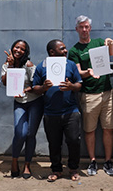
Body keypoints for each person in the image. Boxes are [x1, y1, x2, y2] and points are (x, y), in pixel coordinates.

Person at [68, 15, 113, 176]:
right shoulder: (75, 50)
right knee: (89, 130)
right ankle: (93, 161)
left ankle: (108, 162)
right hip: (89, 94)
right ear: (77, 29)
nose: (84, 29)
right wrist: (88, 73)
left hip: (107, 92)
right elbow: (78, 73)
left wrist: (111, 42)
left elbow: (112, 53)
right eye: (81, 27)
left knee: (108, 128)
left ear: (90, 28)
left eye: (86, 27)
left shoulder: (98, 43)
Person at [32, 39, 83, 182]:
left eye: (65, 48)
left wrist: (71, 86)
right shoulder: (42, 67)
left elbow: (79, 84)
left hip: (70, 111)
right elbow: (35, 88)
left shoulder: (71, 65)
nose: (66, 51)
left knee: (73, 141)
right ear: (52, 52)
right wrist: (44, 88)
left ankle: (73, 168)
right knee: (54, 143)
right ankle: (56, 170)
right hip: (50, 113)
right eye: (62, 49)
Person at [1, 39, 44, 179]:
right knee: (20, 133)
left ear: (26, 52)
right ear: (12, 48)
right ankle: (14, 162)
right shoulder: (6, 65)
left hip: (34, 102)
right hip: (19, 102)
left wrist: (26, 89)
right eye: (16, 47)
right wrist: (11, 66)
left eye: (22, 49)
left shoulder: (29, 65)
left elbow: (37, 85)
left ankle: (27, 165)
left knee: (30, 134)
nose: (18, 50)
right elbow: (6, 83)